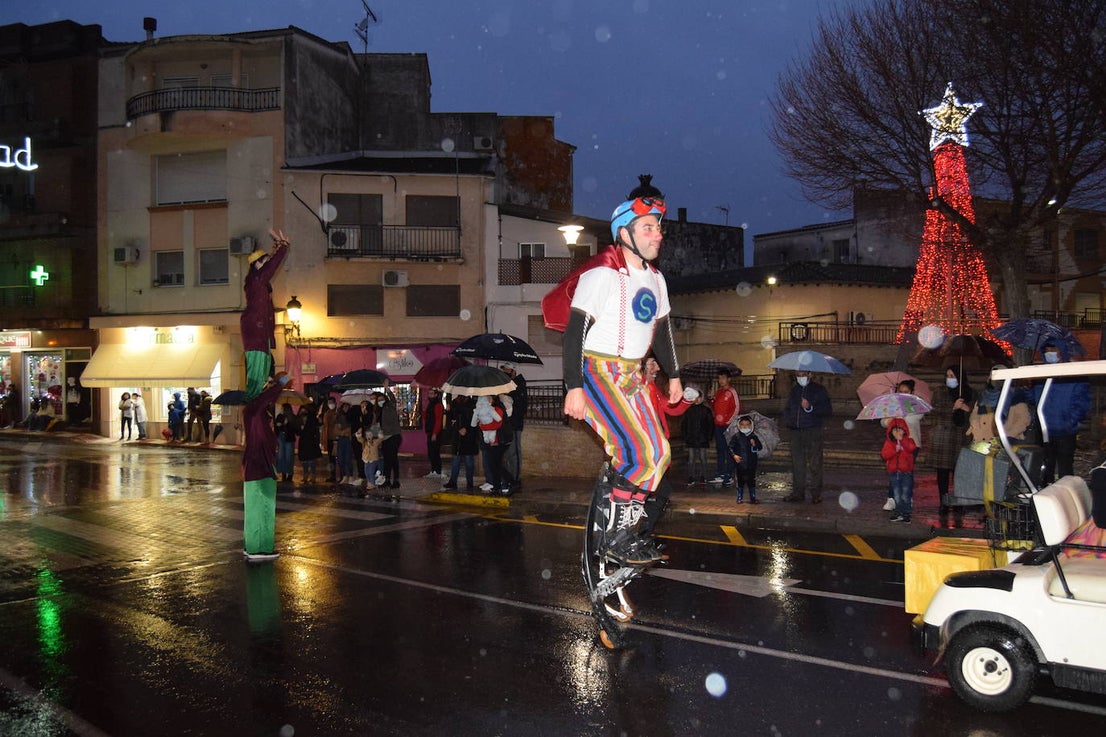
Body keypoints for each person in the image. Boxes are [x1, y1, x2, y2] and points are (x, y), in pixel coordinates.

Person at [559, 185, 682, 566]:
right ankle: (614, 536)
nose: (657, 234)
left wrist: (673, 376)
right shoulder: (602, 275)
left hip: (631, 376)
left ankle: (625, 531)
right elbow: (574, 331)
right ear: (624, 233)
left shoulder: (657, 280)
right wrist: (573, 387)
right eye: (648, 228)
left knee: (658, 455)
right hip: (597, 370)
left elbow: (661, 331)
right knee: (638, 453)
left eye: (658, 228)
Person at [241, 374, 289, 561]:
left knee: (255, 509)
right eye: (265, 383)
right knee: (263, 509)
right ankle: (260, 548)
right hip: (260, 465)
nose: (268, 387)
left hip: (258, 465)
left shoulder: (254, 411)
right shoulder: (254, 411)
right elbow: (264, 399)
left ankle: (253, 546)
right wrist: (280, 383)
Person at [240, 229, 290, 400]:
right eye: (264, 261)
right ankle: (254, 402)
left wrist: (277, 246)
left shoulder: (258, 279)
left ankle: (258, 397)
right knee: (256, 373)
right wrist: (282, 247)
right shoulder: (256, 279)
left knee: (262, 369)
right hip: (256, 330)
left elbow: (268, 265)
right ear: (257, 264)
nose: (267, 264)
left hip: (260, 332)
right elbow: (271, 266)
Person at [1032, 341, 1090, 484]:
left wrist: (1069, 422)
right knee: (1045, 469)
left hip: (1065, 430)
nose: (1049, 352)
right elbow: (1035, 398)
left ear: (1061, 350)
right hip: (1045, 430)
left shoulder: (1074, 374)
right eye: (1046, 349)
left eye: (1053, 348)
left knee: (1065, 469)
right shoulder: (1041, 374)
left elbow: (1082, 403)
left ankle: (1066, 496)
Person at [928, 365, 975, 527]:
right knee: (942, 473)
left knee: (958, 474)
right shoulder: (940, 391)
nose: (950, 378)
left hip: (959, 438)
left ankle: (958, 503)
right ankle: (944, 501)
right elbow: (934, 410)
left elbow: (976, 413)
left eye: (953, 375)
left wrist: (966, 409)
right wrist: (952, 407)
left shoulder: (968, 392)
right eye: (947, 375)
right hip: (943, 437)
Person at [782, 370, 832, 503]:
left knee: (815, 463)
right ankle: (798, 492)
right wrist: (788, 421)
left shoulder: (819, 390)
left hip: (812, 429)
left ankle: (816, 493)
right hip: (796, 431)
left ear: (810, 374)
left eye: (803, 374)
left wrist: (810, 407)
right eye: (798, 375)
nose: (800, 377)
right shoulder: (795, 390)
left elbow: (827, 410)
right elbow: (789, 408)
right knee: (798, 463)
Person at [879, 379, 924, 510]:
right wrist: (891, 418)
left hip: (910, 443)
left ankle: (907, 498)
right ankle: (891, 498)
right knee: (894, 470)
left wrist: (901, 416)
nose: (903, 394)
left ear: (911, 392)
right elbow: (883, 422)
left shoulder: (916, 404)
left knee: (906, 471)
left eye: (906, 392)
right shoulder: (892, 405)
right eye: (900, 391)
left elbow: (914, 419)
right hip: (894, 443)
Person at [473, 394, 515, 495]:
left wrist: (482, 425)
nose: (486, 400)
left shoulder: (498, 408)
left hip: (501, 440)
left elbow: (497, 424)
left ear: (493, 398)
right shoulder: (490, 408)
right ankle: (497, 486)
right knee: (493, 465)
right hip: (495, 441)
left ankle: (510, 482)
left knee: (495, 464)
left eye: (488, 398)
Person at [709, 368, 741, 486]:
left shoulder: (732, 391)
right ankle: (721, 473)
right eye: (719, 378)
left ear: (728, 379)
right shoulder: (719, 392)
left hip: (728, 426)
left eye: (723, 378)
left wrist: (729, 421)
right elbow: (714, 406)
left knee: (729, 450)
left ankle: (729, 474)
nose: (720, 380)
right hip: (718, 426)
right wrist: (711, 398)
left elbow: (736, 408)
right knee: (720, 450)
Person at [881, 417, 917, 523]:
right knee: (897, 494)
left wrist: (903, 441)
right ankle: (898, 512)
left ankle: (906, 513)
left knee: (906, 493)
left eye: (900, 430)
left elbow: (912, 447)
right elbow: (884, 455)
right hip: (894, 472)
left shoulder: (908, 441)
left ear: (904, 431)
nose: (898, 432)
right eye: (895, 430)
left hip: (906, 472)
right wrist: (894, 450)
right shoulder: (889, 443)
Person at [499, 362, 528, 484]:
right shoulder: (507, 385)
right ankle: (508, 477)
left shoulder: (519, 385)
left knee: (514, 452)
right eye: (504, 370)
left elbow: (521, 406)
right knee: (506, 453)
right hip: (506, 424)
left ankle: (515, 478)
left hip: (514, 424)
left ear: (513, 372)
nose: (505, 372)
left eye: (507, 370)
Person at [442, 394, 478, 491]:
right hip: (457, 436)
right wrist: (448, 411)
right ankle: (453, 481)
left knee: (468, 460)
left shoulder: (471, 404)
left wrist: (466, 428)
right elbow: (451, 420)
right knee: (455, 460)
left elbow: (474, 419)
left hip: (468, 437)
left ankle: (469, 483)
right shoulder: (454, 402)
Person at [682, 387, 714, 485]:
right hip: (691, 437)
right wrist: (685, 435)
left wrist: (709, 436)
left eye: (698, 397)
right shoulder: (688, 410)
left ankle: (703, 476)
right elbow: (684, 424)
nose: (696, 399)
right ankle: (691, 476)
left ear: (701, 398)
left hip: (702, 437)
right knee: (691, 458)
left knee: (702, 457)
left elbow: (710, 424)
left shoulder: (706, 410)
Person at [728, 414, 762, 504]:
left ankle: (753, 497)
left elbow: (760, 447)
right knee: (740, 481)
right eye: (742, 425)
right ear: (739, 425)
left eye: (747, 425)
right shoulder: (736, 436)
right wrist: (734, 455)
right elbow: (730, 447)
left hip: (751, 463)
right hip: (740, 463)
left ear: (751, 426)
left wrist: (754, 444)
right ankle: (739, 497)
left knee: (751, 480)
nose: (745, 427)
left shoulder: (753, 436)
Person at [377, 381, 403, 489]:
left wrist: (387, 389)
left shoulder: (390, 406)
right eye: (378, 400)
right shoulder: (379, 410)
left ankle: (396, 480)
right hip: (385, 438)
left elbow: (393, 399)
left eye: (381, 399)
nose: (380, 401)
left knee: (393, 459)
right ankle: (387, 480)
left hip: (394, 436)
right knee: (386, 460)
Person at [273, 402, 299, 483]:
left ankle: (290, 474)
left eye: (283, 408)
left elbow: (295, 429)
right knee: (281, 456)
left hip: (289, 439)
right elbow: (276, 428)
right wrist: (279, 425)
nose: (281, 409)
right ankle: (283, 474)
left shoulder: (293, 417)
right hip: (281, 438)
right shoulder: (280, 416)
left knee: (289, 457)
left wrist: (288, 424)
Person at [297, 400, 322, 484]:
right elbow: (297, 431)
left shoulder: (312, 418)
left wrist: (317, 441)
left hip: (311, 441)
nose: (303, 411)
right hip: (303, 442)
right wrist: (300, 428)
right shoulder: (299, 419)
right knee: (304, 461)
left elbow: (315, 430)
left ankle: (313, 476)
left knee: (311, 460)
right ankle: (305, 475)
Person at [423, 387, 445, 478]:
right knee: (431, 452)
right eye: (429, 393)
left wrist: (435, 433)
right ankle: (433, 470)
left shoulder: (438, 405)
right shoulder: (430, 404)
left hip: (435, 433)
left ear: (436, 395)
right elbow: (427, 418)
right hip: (430, 431)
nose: (430, 395)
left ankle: (437, 471)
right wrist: (424, 411)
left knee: (435, 452)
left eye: (432, 393)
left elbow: (438, 420)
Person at [320, 397, 340, 482]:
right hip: (328, 438)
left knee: (338, 458)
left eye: (332, 402)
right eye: (329, 403)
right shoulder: (327, 413)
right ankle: (332, 475)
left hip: (335, 438)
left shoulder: (338, 413)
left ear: (335, 403)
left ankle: (340, 475)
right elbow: (325, 426)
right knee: (330, 458)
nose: (330, 404)